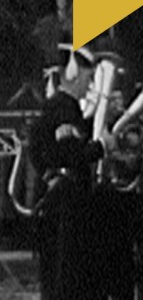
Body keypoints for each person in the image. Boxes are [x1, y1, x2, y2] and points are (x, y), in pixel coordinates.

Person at [30, 45, 113, 300]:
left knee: (56, 280)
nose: (90, 85)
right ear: (75, 74)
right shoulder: (64, 109)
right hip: (66, 208)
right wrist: (102, 147)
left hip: (56, 203)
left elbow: (38, 152)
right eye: (88, 77)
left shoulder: (55, 107)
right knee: (67, 280)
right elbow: (70, 156)